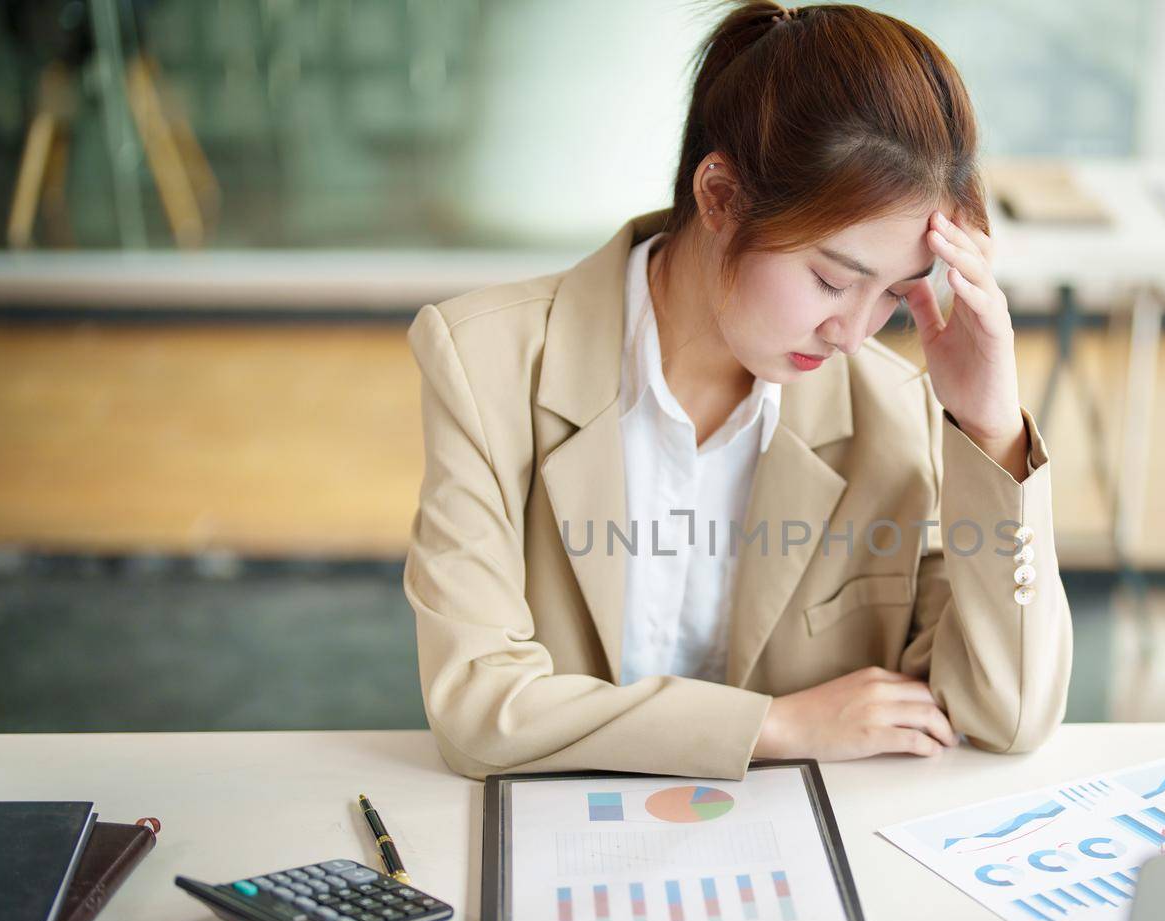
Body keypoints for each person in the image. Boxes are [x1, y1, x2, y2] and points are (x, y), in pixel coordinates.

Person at [403, 0, 1073, 781]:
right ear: (719, 197)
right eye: (831, 279)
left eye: (893, 294)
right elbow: (479, 711)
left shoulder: (899, 408)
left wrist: (991, 427)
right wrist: (776, 725)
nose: (854, 334)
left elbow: (1010, 714)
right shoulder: (486, 362)